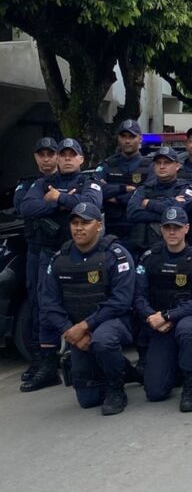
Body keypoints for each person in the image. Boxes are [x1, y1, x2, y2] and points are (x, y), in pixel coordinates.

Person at [19, 138, 103, 392]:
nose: (66, 158)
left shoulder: (90, 182)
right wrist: (61, 200)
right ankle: (47, 363)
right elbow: (27, 207)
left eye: (71, 154)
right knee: (46, 306)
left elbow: (92, 206)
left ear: (81, 159)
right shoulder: (41, 184)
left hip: (82, 254)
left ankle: (98, 352)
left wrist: (58, 197)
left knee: (91, 301)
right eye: (62, 154)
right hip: (50, 254)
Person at [38, 202, 136, 415]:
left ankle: (116, 389)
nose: (79, 228)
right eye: (74, 223)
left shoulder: (116, 254)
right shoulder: (59, 259)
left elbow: (121, 300)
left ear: (99, 226)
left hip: (114, 322)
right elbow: (49, 303)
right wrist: (70, 332)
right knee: (88, 400)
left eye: (85, 223)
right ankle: (124, 369)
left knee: (103, 339)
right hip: (77, 329)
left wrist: (84, 326)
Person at [134, 207, 192, 412]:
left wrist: (168, 316)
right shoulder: (150, 257)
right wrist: (151, 316)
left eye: (176, 227)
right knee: (155, 393)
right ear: (161, 229)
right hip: (159, 324)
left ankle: (190, 387)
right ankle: (172, 369)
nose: (172, 232)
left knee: (187, 329)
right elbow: (138, 295)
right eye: (167, 227)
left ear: (186, 228)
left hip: (186, 320)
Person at [15, 137, 59, 385]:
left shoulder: (68, 181)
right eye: (41, 154)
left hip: (61, 250)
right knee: (38, 304)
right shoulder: (28, 185)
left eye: (50, 154)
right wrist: (54, 202)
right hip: (36, 250)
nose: (46, 159)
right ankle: (41, 360)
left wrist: (58, 199)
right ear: (36, 158)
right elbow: (25, 209)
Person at [95, 119, 152, 255]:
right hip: (112, 231)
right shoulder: (108, 164)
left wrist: (114, 198)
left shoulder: (149, 166)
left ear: (140, 138)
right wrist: (123, 189)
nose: (127, 141)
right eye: (123, 136)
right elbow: (95, 189)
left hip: (139, 232)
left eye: (132, 136)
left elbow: (149, 193)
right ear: (118, 138)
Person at [126, 146, 192, 255]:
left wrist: (148, 203)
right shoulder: (144, 189)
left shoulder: (186, 188)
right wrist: (169, 208)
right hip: (144, 249)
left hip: (177, 251)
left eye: (167, 163)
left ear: (177, 166)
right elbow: (132, 213)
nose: (162, 166)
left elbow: (179, 209)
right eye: (158, 163)